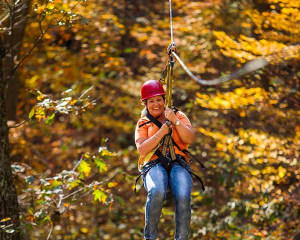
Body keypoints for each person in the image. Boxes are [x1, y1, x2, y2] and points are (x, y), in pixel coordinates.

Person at [135, 80, 195, 240]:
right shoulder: (143, 122)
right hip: (153, 164)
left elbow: (189, 138)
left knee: (183, 195)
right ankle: (150, 237)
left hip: (178, 162)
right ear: (145, 104)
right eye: (151, 101)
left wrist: (175, 121)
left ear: (164, 100)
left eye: (159, 100)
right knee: (156, 191)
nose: (156, 104)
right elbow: (142, 149)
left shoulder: (178, 115)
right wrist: (161, 132)